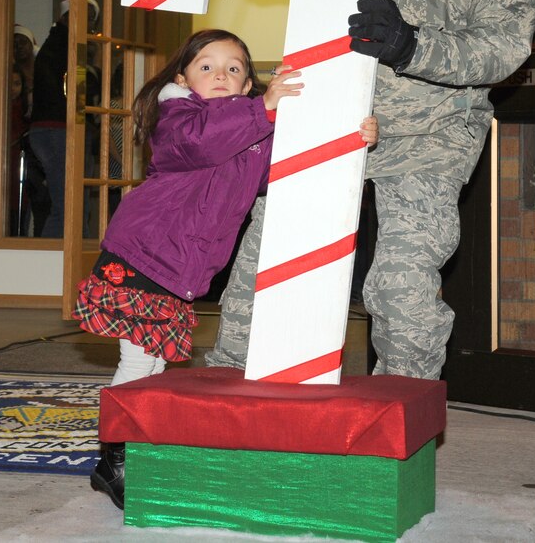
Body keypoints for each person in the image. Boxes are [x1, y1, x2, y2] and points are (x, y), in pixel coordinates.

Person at [164, 0, 535, 381]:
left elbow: (502, 49)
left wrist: (410, 45)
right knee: (266, 267)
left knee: (401, 288)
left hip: (430, 134)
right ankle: (232, 405)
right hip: (324, 112)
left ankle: (403, 419)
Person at [73, 28, 379, 509]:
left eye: (234, 69)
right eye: (207, 66)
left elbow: (290, 168)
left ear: (246, 84)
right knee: (136, 361)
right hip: (144, 251)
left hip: (181, 265)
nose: (221, 74)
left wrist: (353, 141)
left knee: (154, 362)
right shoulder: (178, 116)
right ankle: (112, 460)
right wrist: (263, 110)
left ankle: (137, 447)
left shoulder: (255, 132)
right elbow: (203, 143)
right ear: (182, 77)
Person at [28, 0, 98, 238]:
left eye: (90, 18)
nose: (87, 23)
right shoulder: (72, 47)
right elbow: (77, 100)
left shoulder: (53, 45)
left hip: (49, 128)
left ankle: (53, 261)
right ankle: (56, 263)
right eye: (82, 15)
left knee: (67, 205)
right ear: (65, 17)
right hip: (61, 128)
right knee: (72, 208)